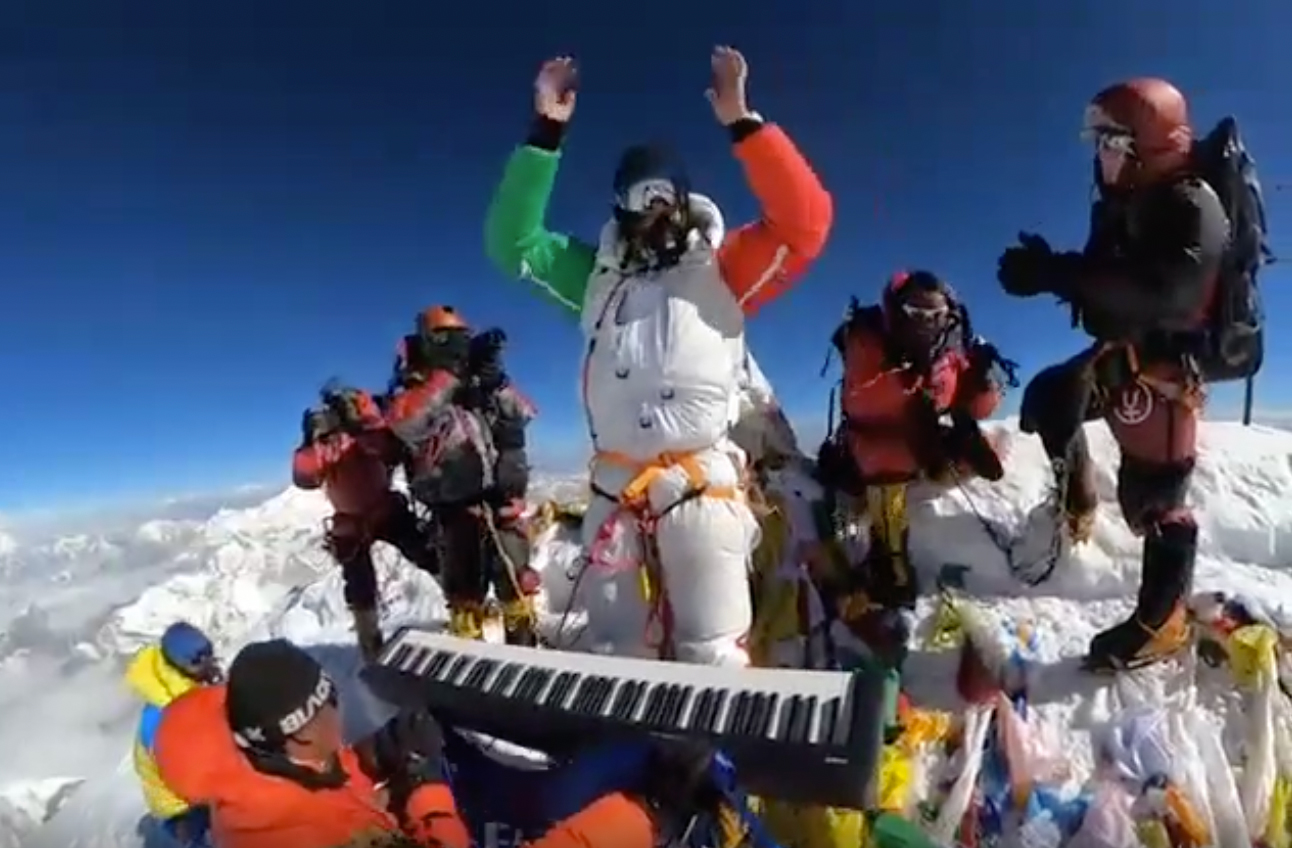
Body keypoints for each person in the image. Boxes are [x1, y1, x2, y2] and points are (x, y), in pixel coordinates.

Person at [483, 47, 833, 666]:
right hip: (615, 491)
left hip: (702, 486)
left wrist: (743, 121)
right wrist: (546, 134)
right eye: (638, 197)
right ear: (619, 206)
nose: (653, 212)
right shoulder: (594, 276)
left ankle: (715, 748)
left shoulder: (723, 270)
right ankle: (629, 748)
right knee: (619, 649)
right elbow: (513, 246)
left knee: (712, 649)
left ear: (683, 198)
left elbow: (804, 224)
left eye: (663, 195)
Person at [996, 78, 1245, 671]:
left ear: (1148, 145)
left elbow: (1162, 290)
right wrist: (1055, 268)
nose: (1099, 153)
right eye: (1099, 140)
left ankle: (1161, 624)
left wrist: (1056, 273)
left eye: (1112, 140)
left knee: (1152, 506)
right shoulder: (1130, 203)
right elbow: (1112, 279)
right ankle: (1075, 504)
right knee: (1050, 398)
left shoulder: (1193, 203)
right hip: (1123, 355)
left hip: (1164, 373)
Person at [151, 638, 728, 848]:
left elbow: (318, 785)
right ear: (301, 727)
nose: (338, 708)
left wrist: (374, 756)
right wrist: (647, 815)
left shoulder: (260, 777)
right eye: (327, 702)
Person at [811, 270, 1013, 663]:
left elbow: (971, 402)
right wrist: (914, 389)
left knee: (984, 450)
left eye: (934, 313)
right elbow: (865, 400)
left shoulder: (953, 346)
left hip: (927, 438)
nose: (925, 321)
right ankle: (891, 570)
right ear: (895, 310)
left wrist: (986, 389)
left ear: (948, 314)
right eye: (914, 311)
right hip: (875, 444)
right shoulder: (866, 338)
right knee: (888, 465)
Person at [386, 306, 540, 645]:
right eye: (452, 341)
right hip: (453, 514)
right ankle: (468, 668)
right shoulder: (412, 387)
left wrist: (495, 382)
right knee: (465, 602)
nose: (459, 348)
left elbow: (525, 412)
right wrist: (449, 376)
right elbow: (406, 422)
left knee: (515, 588)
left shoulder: (474, 383)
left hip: (499, 501)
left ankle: (527, 652)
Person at [293, 380, 440, 662]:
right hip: (358, 518)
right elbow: (304, 477)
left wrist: (361, 424)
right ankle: (370, 646)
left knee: (425, 553)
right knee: (361, 586)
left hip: (377, 509)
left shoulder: (365, 431)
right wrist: (311, 441)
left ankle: (461, 602)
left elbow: (389, 448)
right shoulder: (328, 444)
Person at [126, 621, 223, 847]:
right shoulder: (162, 714)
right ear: (176, 665)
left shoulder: (195, 683)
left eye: (208, 653)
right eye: (196, 660)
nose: (207, 663)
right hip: (179, 805)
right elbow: (182, 772)